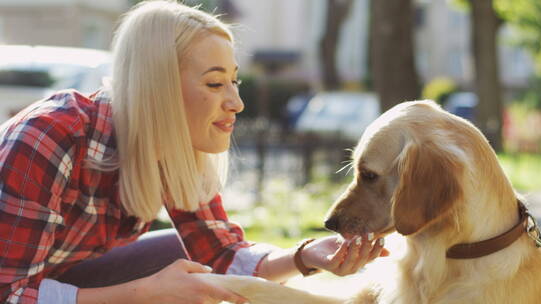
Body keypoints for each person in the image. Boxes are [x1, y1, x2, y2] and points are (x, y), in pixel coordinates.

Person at [0, 1, 388, 303]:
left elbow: (221, 254)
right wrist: (144, 295)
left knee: (179, 256)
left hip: (55, 278)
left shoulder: (174, 147)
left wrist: (306, 258)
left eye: (233, 81)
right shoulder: (50, 137)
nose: (236, 102)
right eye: (216, 83)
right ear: (159, 86)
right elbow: (10, 293)